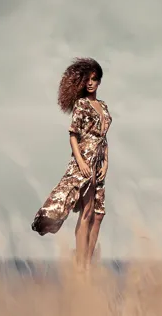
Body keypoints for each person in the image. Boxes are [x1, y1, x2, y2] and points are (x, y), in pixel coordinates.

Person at [31, 57, 112, 270]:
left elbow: (103, 138)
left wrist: (105, 163)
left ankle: (86, 259)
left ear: (99, 81)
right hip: (83, 162)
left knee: (98, 214)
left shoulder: (102, 106)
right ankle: (81, 267)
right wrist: (81, 162)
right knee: (86, 212)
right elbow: (73, 136)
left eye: (94, 79)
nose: (90, 83)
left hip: (99, 163)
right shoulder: (81, 104)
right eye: (87, 79)